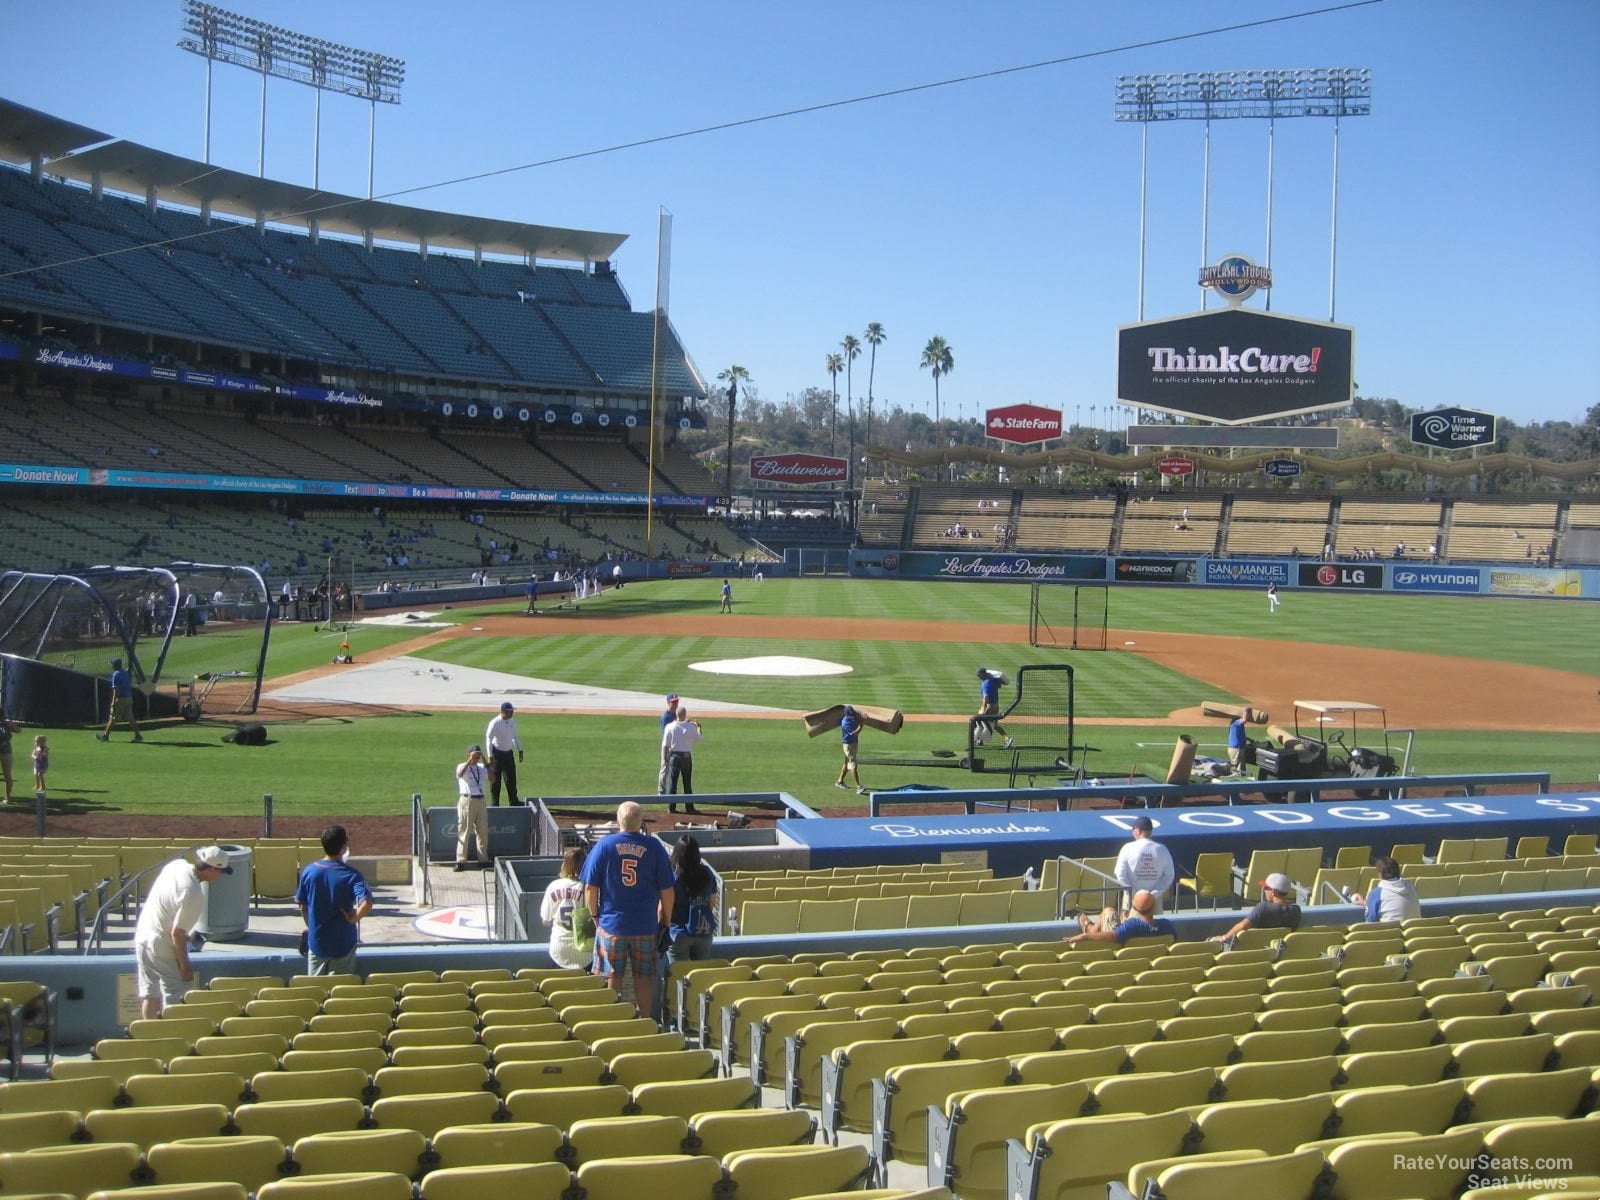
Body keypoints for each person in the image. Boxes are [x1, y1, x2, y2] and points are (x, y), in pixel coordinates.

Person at [580, 801, 675, 1017]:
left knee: (613, 975)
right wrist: (666, 922)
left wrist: (595, 917)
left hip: (612, 925)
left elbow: (590, 889)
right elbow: (668, 891)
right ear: (641, 822)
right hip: (645, 925)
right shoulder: (654, 847)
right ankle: (645, 1022)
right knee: (644, 977)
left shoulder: (604, 845)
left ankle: (614, 1022)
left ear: (618, 820)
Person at [134, 846, 233, 1017]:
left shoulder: (176, 865)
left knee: (150, 994)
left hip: (142, 936)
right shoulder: (194, 894)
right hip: (162, 944)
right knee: (178, 997)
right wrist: (185, 967)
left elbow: (168, 903)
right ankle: (174, 1038)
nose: (221, 876)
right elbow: (177, 933)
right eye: (221, 871)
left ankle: (148, 1038)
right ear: (211, 869)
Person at [295, 825, 374, 976]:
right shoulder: (352, 875)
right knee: (341, 993)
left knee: (316, 992)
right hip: (343, 944)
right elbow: (367, 903)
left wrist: (311, 927)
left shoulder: (309, 872)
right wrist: (353, 918)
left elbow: (302, 905)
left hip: (317, 942)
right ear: (344, 845)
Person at [666, 835, 721, 968]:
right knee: (698, 978)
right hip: (703, 931)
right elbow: (712, 902)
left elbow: (666, 905)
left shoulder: (672, 875)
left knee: (680, 978)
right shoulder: (707, 873)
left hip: (678, 932)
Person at [1210, 872, 1302, 942]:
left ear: (1273, 892)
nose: (1264, 891)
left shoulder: (1263, 908)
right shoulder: (1296, 911)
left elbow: (1243, 925)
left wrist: (1224, 938)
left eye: (1266, 888)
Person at [1112, 815, 1175, 915]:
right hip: (1154, 901)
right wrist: (1154, 894)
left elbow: (1120, 873)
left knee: (1130, 928)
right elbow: (1169, 875)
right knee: (1154, 928)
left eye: (1133, 829)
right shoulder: (1162, 849)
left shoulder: (1127, 848)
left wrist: (1132, 892)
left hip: (1131, 899)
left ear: (1138, 831)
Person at [1064, 890, 1175, 946]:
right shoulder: (1167, 925)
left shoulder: (1132, 925)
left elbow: (1113, 936)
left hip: (1123, 950)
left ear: (1134, 908)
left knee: (1108, 911)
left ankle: (1089, 928)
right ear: (1154, 907)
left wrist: (1086, 936)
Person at [540, 847, 590, 970]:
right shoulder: (588, 888)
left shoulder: (553, 886)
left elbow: (545, 920)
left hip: (559, 947)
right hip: (585, 948)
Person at [453, 745, 491, 872]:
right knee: (464, 830)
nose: (477, 757)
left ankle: (483, 859)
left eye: (478, 755)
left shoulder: (481, 767)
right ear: (468, 754)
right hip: (467, 800)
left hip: (480, 800)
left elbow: (492, 778)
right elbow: (459, 774)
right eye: (475, 755)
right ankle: (460, 860)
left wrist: (485, 761)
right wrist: (470, 760)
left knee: (482, 831)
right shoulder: (462, 765)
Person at [1352, 856, 1421, 922]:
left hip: (1389, 933)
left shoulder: (1376, 893)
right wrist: (1367, 903)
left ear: (1380, 874)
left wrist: (1369, 903)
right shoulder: (1411, 887)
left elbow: (1370, 921)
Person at [662, 705, 703, 815]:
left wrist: (665, 758)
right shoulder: (690, 727)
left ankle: (671, 807)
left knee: (673, 782)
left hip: (674, 756)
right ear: (684, 715)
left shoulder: (670, 727)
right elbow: (699, 738)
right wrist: (699, 727)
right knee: (687, 782)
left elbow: (665, 745)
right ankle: (689, 807)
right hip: (686, 756)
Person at [485, 701, 524, 807]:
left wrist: (520, 749)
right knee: (495, 780)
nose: (512, 713)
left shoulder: (512, 721)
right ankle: (495, 803)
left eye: (512, 711)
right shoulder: (495, 723)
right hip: (497, 754)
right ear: (503, 711)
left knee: (511, 779)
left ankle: (514, 801)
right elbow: (489, 738)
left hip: (508, 754)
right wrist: (490, 756)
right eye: (509, 711)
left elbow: (515, 736)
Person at [96, 657, 143, 743]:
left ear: (114, 665)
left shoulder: (116, 674)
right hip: (129, 698)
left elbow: (116, 691)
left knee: (113, 717)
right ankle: (138, 736)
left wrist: (113, 703)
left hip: (121, 699)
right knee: (130, 718)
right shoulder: (125, 673)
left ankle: (105, 736)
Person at [834, 705, 867, 794]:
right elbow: (853, 734)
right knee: (852, 764)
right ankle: (858, 786)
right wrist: (861, 725)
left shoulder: (850, 718)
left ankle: (839, 781)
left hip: (852, 744)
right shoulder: (845, 722)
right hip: (849, 745)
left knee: (846, 763)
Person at [976, 668, 1013, 749]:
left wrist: (984, 710)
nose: (978, 677)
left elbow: (986, 698)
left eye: (979, 675)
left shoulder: (986, 683)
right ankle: (1007, 738)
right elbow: (1000, 685)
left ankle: (979, 740)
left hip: (989, 707)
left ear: (983, 674)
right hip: (996, 706)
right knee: (995, 725)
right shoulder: (993, 680)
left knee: (978, 720)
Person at [656, 693, 680, 796]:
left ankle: (671, 791)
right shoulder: (666, 716)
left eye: (676, 701)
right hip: (668, 745)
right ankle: (661, 791)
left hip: (676, 744)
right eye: (673, 702)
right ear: (668, 703)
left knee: (674, 769)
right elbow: (667, 733)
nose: (675, 704)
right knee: (665, 767)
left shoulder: (676, 714)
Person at [1227, 707, 1255, 772]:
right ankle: (1238, 780)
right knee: (1238, 769)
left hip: (1236, 748)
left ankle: (1241, 777)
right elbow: (1244, 720)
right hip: (1236, 749)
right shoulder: (1236, 723)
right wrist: (1246, 710)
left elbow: (1240, 735)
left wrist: (1248, 739)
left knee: (1240, 766)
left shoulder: (1236, 726)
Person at [0, 707, 18, 804]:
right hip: (6, 751)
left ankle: (8, 797)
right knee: (7, 776)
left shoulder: (6, 724)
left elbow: (18, 730)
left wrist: (8, 723)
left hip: (6, 752)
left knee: (7, 775)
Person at [30, 734, 47, 799]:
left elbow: (46, 754)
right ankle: (37, 785)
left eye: (37, 741)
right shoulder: (36, 748)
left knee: (40, 774)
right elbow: (32, 754)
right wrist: (34, 756)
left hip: (43, 764)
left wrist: (42, 754)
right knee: (36, 774)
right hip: (37, 764)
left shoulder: (44, 748)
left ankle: (43, 786)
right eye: (35, 741)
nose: (36, 743)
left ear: (42, 742)